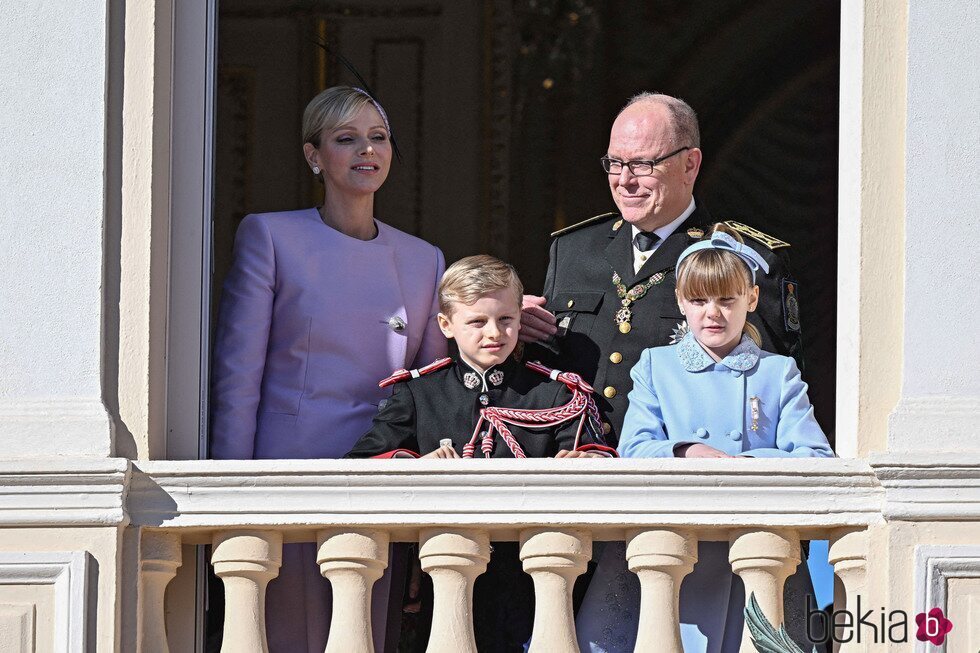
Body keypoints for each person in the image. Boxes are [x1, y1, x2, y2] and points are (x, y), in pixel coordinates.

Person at [209, 86, 446, 652]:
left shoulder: (424, 258)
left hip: (382, 478)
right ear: (315, 156)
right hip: (287, 475)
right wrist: (231, 495)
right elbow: (238, 376)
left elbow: (435, 393)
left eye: (378, 137)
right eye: (347, 139)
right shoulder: (271, 235)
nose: (367, 151)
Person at [575, 226, 833, 653]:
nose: (713, 313)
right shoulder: (656, 366)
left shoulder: (777, 372)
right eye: (698, 300)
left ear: (751, 299)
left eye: (727, 300)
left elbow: (815, 457)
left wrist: (740, 463)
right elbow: (634, 449)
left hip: (750, 554)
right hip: (671, 549)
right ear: (680, 301)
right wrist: (687, 450)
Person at [347, 255, 615, 652]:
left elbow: (595, 455)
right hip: (444, 575)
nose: (494, 332)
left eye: (506, 319)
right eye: (477, 322)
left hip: (534, 580)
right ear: (446, 325)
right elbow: (359, 466)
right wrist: (414, 466)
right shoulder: (421, 392)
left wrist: (587, 463)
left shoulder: (555, 393)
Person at [520, 92, 804, 445]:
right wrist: (514, 336)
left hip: (678, 474)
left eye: (642, 164)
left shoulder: (743, 259)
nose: (624, 180)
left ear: (690, 165)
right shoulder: (574, 249)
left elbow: (769, 397)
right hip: (577, 465)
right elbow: (544, 372)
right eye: (614, 162)